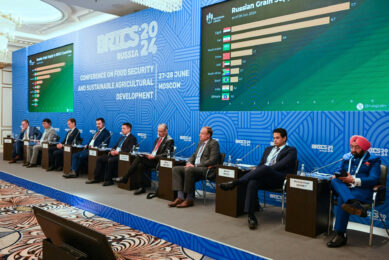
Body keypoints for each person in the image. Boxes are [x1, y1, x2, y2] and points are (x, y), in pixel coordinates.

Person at [220, 128, 297, 229]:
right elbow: (261, 164)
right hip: (265, 177)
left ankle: (237, 182)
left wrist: (263, 170)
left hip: (279, 179)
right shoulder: (268, 149)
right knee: (252, 182)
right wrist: (258, 170)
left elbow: (280, 165)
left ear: (284, 138)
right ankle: (251, 216)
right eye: (274, 138)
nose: (275, 140)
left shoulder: (291, 150)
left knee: (265, 168)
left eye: (277, 138)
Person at [327, 135, 381, 248]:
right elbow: (338, 170)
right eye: (351, 147)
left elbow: (374, 179)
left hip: (361, 190)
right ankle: (353, 203)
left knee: (342, 199)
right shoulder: (346, 157)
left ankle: (340, 234)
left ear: (364, 148)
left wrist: (354, 180)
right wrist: (338, 175)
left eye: (357, 147)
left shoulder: (373, 160)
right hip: (346, 188)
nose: (353, 150)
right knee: (334, 181)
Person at [113, 123, 174, 195]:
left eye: (160, 131)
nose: (158, 133)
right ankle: (141, 187)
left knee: (139, 158)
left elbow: (167, 154)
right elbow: (154, 151)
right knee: (140, 165)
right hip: (152, 159)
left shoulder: (169, 140)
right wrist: (149, 155)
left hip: (159, 162)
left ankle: (125, 177)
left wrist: (154, 156)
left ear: (165, 131)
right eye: (158, 131)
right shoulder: (157, 139)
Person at [168, 126, 219, 208]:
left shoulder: (214, 143)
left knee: (189, 170)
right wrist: (189, 162)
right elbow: (194, 155)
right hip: (194, 168)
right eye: (200, 133)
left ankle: (189, 199)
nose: (199, 135)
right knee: (176, 169)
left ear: (208, 135)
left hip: (205, 169)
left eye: (202, 133)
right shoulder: (200, 143)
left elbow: (212, 160)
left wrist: (195, 165)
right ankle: (180, 197)